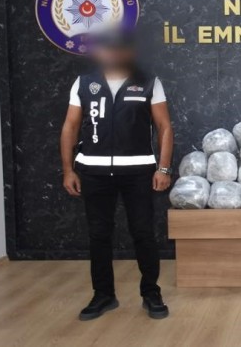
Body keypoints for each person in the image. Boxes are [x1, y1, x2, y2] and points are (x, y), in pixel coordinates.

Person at [60, 30, 174, 321]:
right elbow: (70, 127)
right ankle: (103, 295)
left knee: (143, 233)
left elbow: (164, 127)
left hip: (137, 172)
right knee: (99, 235)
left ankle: (151, 293)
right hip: (94, 172)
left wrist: (163, 168)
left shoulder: (149, 82)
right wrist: (68, 169)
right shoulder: (84, 83)